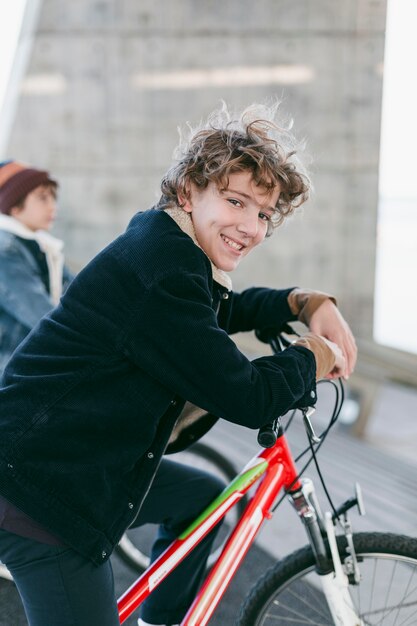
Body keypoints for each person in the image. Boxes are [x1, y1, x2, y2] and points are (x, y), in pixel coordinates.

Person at [0, 102, 356, 626]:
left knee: (199, 498)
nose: (252, 227)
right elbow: (247, 395)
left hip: (78, 460)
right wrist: (313, 355)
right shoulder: (162, 270)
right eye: (236, 201)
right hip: (41, 490)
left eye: (263, 214)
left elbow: (219, 308)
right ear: (188, 190)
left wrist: (301, 302)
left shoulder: (170, 247)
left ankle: (158, 621)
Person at [0, 160, 72, 376]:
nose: (52, 206)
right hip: (11, 372)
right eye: (42, 198)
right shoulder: (5, 250)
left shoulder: (43, 247)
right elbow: (39, 314)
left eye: (53, 197)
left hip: (28, 367)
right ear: (13, 205)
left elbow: (80, 293)